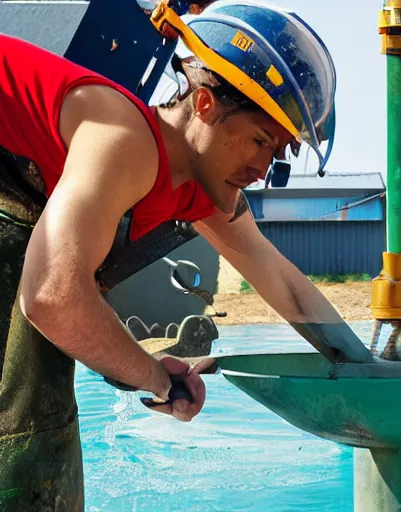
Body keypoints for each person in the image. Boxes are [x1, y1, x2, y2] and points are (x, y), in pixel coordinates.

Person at [0, 1, 354, 509]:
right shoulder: (125, 138)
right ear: (205, 104)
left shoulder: (201, 190)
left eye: (274, 152)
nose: (262, 165)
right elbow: (53, 296)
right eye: (258, 139)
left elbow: (284, 282)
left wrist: (364, 367)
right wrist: (153, 376)